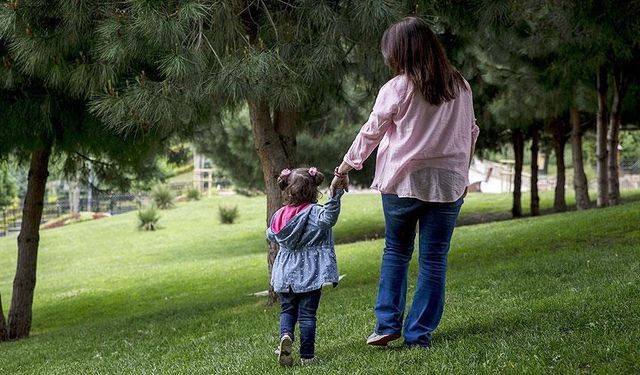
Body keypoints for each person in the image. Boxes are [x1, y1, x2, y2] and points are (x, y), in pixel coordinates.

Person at [330, 17, 479, 348]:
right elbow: (471, 132)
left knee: (396, 250)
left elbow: (372, 130)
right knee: (434, 258)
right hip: (447, 184)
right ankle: (418, 334)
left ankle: (386, 325)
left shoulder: (397, 87)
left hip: (403, 183)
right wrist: (463, 173)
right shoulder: (461, 85)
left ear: (400, 52)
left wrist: (345, 167)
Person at [267, 167, 343, 366]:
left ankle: (286, 336)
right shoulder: (315, 212)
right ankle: (307, 356)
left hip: (284, 273)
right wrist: (335, 196)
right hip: (309, 273)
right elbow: (329, 219)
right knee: (308, 315)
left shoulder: (279, 215)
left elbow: (271, 234)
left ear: (287, 190)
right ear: (313, 190)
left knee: (287, 310)